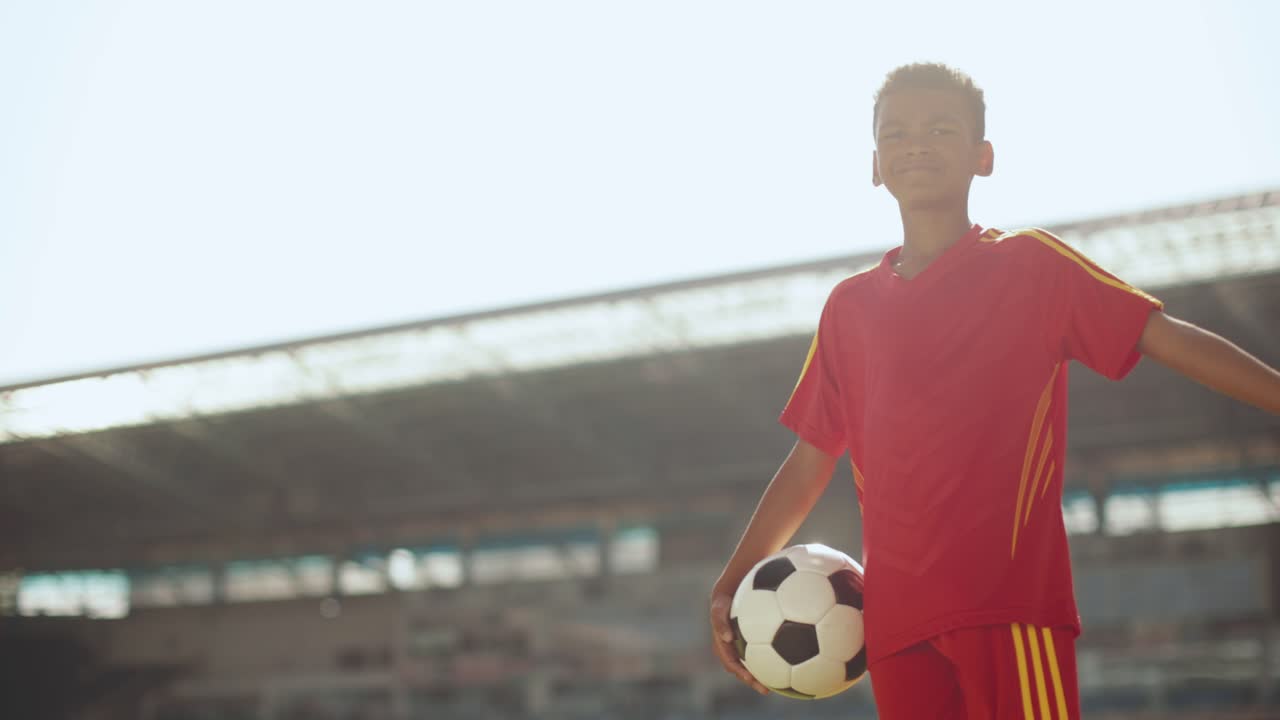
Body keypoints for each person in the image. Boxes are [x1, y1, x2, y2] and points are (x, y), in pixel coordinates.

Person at [708, 62, 1280, 720]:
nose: (915, 144)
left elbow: (1165, 335)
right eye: (895, 134)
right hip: (895, 627)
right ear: (873, 164)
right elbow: (813, 455)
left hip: (1007, 606)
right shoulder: (847, 308)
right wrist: (736, 574)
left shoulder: (1033, 266)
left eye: (940, 128)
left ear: (984, 157)